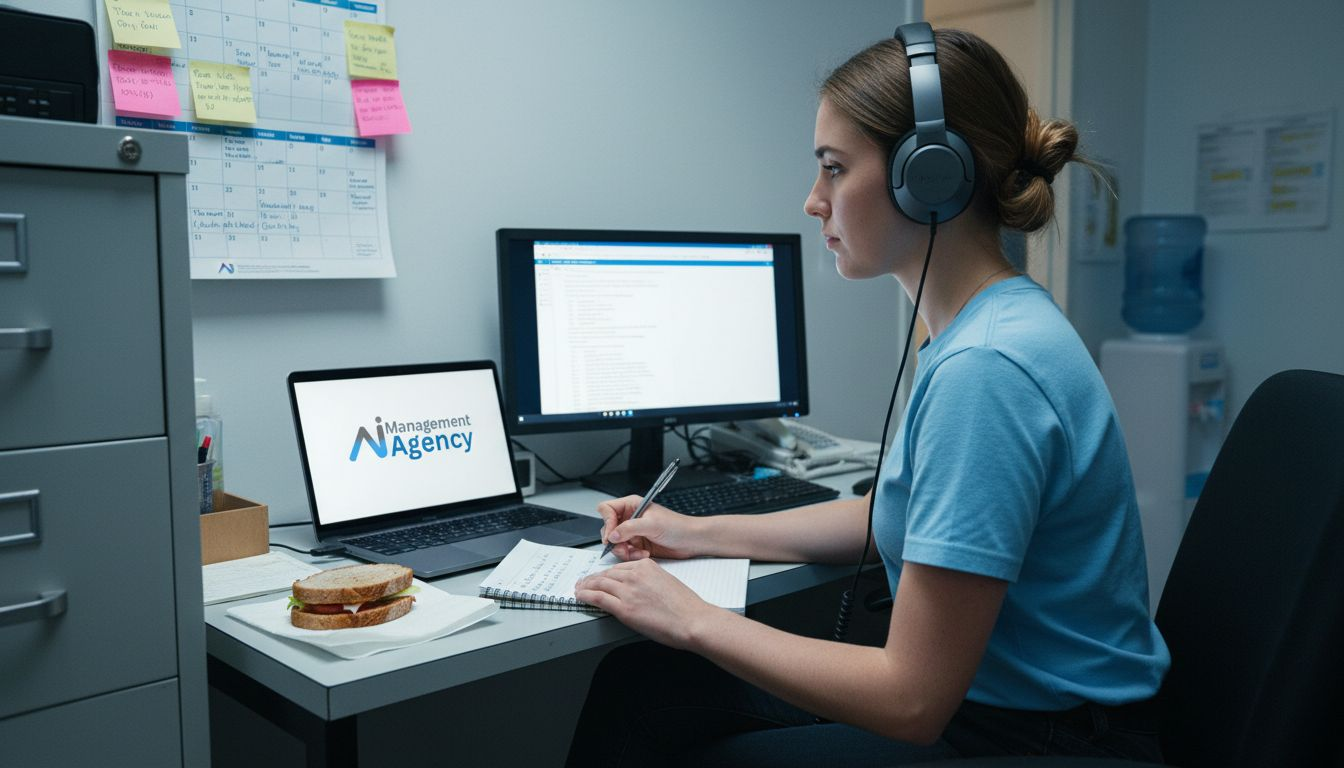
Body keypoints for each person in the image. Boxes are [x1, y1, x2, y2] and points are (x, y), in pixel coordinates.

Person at [564, 26, 1169, 767]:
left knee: (671, 716)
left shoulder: (988, 369)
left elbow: (909, 701)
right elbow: (903, 514)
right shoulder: (987, 325)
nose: (814, 201)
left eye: (834, 168)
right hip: (1013, 710)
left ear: (932, 177)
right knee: (646, 687)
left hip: (1036, 737)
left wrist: (687, 616)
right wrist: (693, 531)